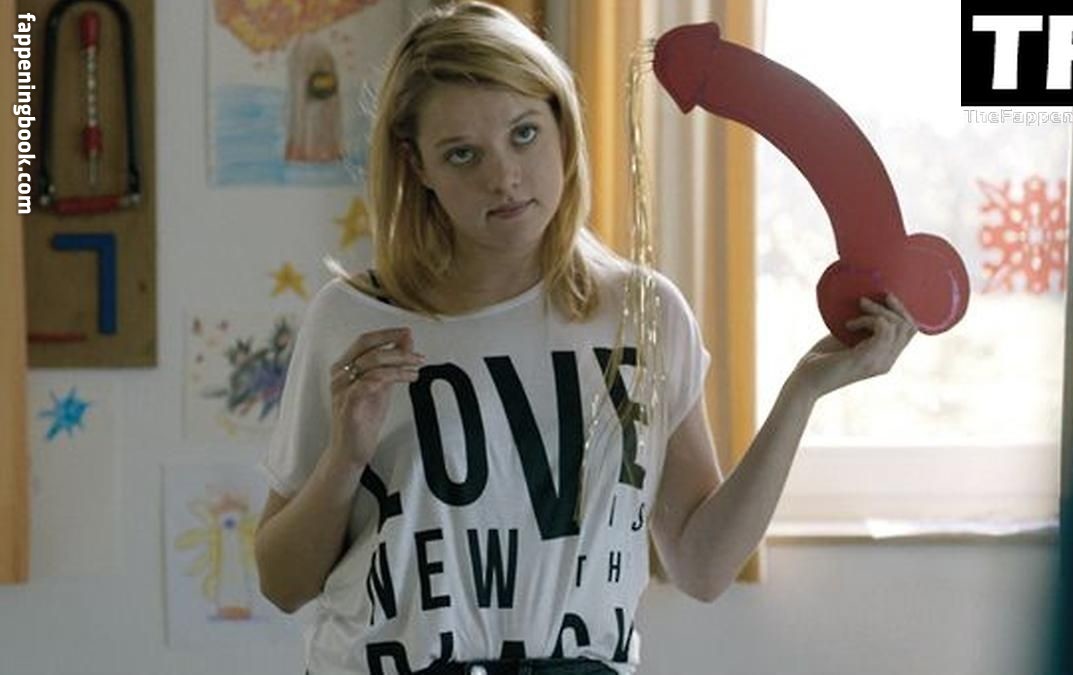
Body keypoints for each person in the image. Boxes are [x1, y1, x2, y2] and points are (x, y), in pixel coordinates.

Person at [254, 3, 917, 674]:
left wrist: (802, 393)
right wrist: (344, 457)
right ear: (416, 164)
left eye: (524, 134)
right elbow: (283, 584)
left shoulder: (643, 312)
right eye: (462, 154)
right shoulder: (353, 318)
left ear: (563, 129)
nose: (504, 176)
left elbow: (701, 564)